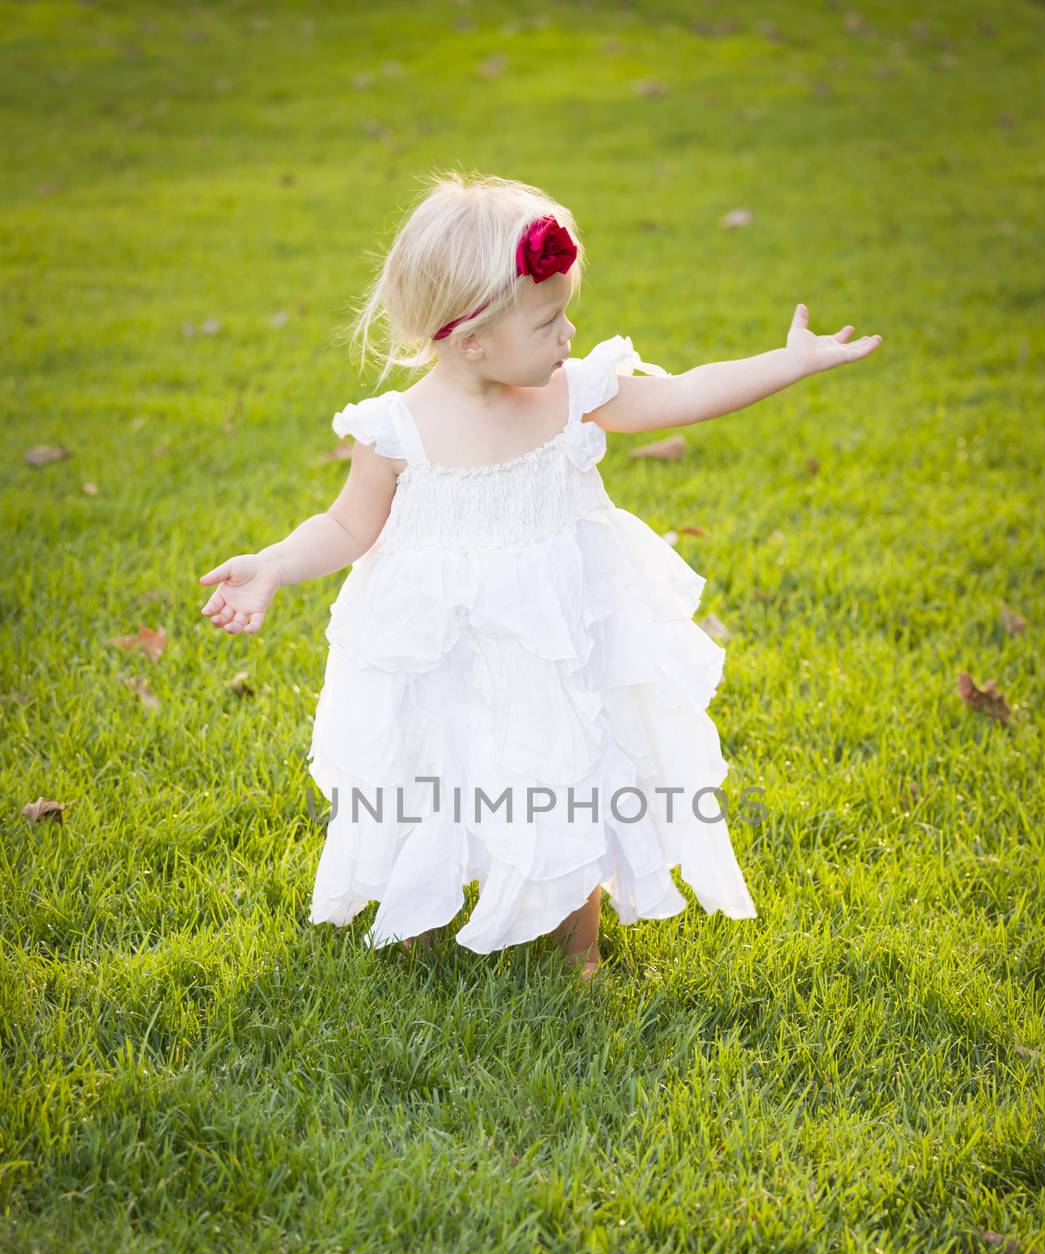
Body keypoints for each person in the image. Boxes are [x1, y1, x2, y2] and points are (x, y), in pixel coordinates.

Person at [198, 170, 882, 981]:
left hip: (558, 638)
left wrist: (787, 363)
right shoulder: (396, 431)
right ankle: (422, 925)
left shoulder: (570, 394)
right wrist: (274, 564)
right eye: (550, 320)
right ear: (471, 339)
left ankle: (578, 948)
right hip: (441, 649)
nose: (569, 334)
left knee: (569, 773)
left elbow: (685, 395)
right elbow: (350, 525)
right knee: (438, 775)